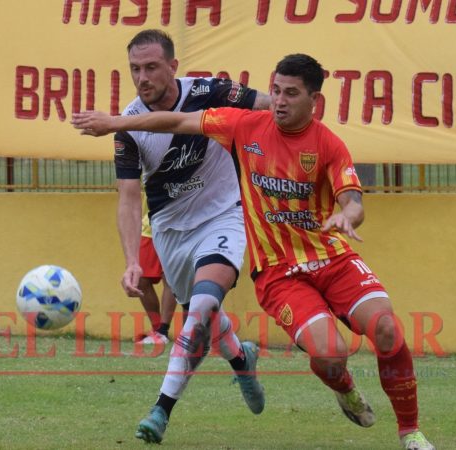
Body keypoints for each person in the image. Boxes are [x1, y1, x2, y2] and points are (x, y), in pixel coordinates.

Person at [72, 53, 435, 450]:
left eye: (291, 94)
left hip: (333, 258)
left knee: (386, 328)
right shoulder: (244, 126)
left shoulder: (329, 145)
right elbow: (176, 121)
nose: (279, 100)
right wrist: (114, 123)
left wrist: (348, 216)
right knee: (331, 356)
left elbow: (353, 201)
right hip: (279, 273)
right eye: (275, 90)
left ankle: (410, 433)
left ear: (315, 99)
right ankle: (344, 387)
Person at [98, 30, 272, 444]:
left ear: (173, 66)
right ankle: (240, 360)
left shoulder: (211, 91)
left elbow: (269, 107)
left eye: (152, 67)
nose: (143, 77)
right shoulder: (129, 125)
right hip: (170, 232)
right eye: (135, 69)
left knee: (204, 304)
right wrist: (132, 261)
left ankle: (161, 410)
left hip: (224, 216)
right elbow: (128, 197)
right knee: (205, 314)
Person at [134, 208, 176, 345]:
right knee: (140, 279)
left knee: (170, 278)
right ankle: (157, 329)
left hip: (175, 227)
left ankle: (162, 331)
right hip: (148, 227)